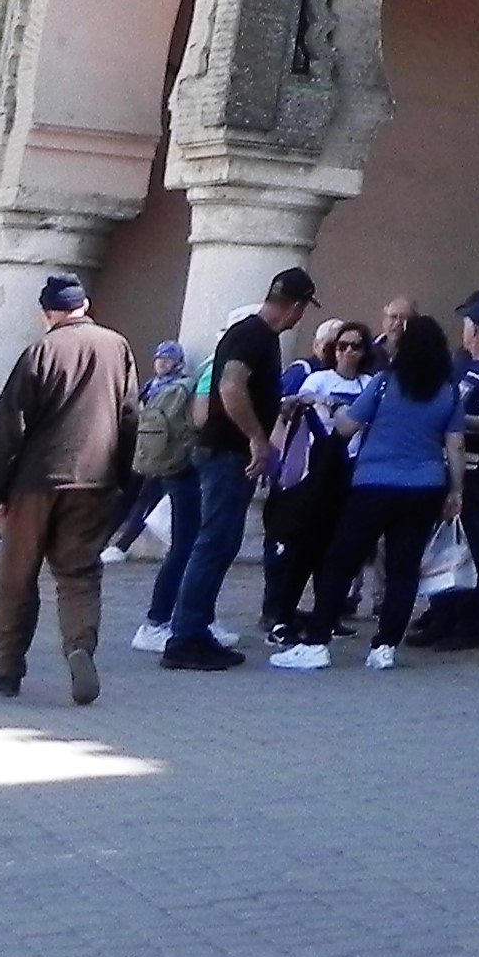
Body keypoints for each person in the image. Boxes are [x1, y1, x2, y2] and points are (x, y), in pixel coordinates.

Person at [0, 274, 138, 704]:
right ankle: (80, 644)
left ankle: (7, 668)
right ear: (86, 305)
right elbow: (130, 416)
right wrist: (121, 479)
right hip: (94, 479)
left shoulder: (41, 351)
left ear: (48, 312)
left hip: (36, 481)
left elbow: (7, 428)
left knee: (17, 576)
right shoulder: (117, 347)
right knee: (79, 573)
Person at [280, 312, 469, 672]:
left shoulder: (383, 384)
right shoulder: (448, 392)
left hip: (373, 483)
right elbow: (456, 446)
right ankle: (385, 647)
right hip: (425, 485)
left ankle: (318, 641)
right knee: (404, 568)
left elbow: (349, 426)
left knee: (341, 560)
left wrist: (329, 414)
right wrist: (456, 490)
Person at [160, 263, 314, 670]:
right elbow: (230, 386)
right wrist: (257, 439)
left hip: (225, 451)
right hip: (228, 455)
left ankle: (195, 628)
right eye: (302, 309)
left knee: (219, 543)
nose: (300, 317)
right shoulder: (254, 335)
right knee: (214, 543)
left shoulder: (251, 334)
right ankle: (186, 635)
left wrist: (273, 409)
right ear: (295, 306)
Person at [407, 293, 479, 649]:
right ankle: (442, 613)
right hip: (449, 467)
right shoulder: (461, 363)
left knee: (476, 544)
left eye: (468, 323)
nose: (463, 330)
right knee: (443, 545)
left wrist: (454, 419)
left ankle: (473, 619)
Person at [261, 321, 374, 652]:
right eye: (342, 345)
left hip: (352, 471)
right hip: (317, 471)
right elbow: (297, 415)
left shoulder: (370, 384)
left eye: (356, 345)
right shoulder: (318, 380)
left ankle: (328, 613)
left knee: (338, 552)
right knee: (303, 549)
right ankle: (282, 617)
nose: (348, 352)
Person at [102, 341, 191, 565]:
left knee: (146, 499)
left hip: (161, 452)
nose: (161, 363)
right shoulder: (151, 386)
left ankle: (122, 545)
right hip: (141, 449)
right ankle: (99, 542)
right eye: (159, 358)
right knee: (126, 496)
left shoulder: (178, 389)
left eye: (167, 359)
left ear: (177, 363)